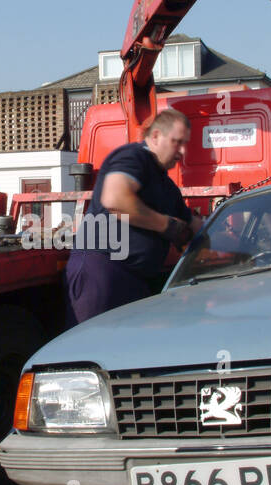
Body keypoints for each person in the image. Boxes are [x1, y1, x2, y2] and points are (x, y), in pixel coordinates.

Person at [65, 107, 206, 324]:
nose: (183, 151)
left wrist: (231, 244)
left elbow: (193, 225)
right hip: (103, 274)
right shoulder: (133, 156)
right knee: (90, 349)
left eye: (185, 144)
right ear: (156, 136)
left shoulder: (167, 187)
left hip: (136, 282)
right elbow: (116, 200)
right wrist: (166, 225)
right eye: (177, 142)